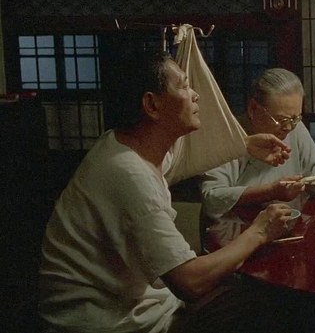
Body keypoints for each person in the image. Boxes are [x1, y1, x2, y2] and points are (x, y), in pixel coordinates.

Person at [39, 50, 296, 333]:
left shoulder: (123, 145)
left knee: (254, 291)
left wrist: (245, 144)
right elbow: (190, 282)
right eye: (184, 86)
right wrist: (259, 231)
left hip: (138, 304)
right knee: (270, 303)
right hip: (110, 322)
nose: (195, 95)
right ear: (152, 105)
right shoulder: (128, 175)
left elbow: (186, 162)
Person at [200, 68, 315, 220]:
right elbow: (212, 197)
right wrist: (270, 192)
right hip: (238, 225)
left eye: (295, 118)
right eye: (281, 120)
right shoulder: (229, 138)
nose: (289, 127)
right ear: (253, 109)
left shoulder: (295, 128)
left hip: (287, 221)